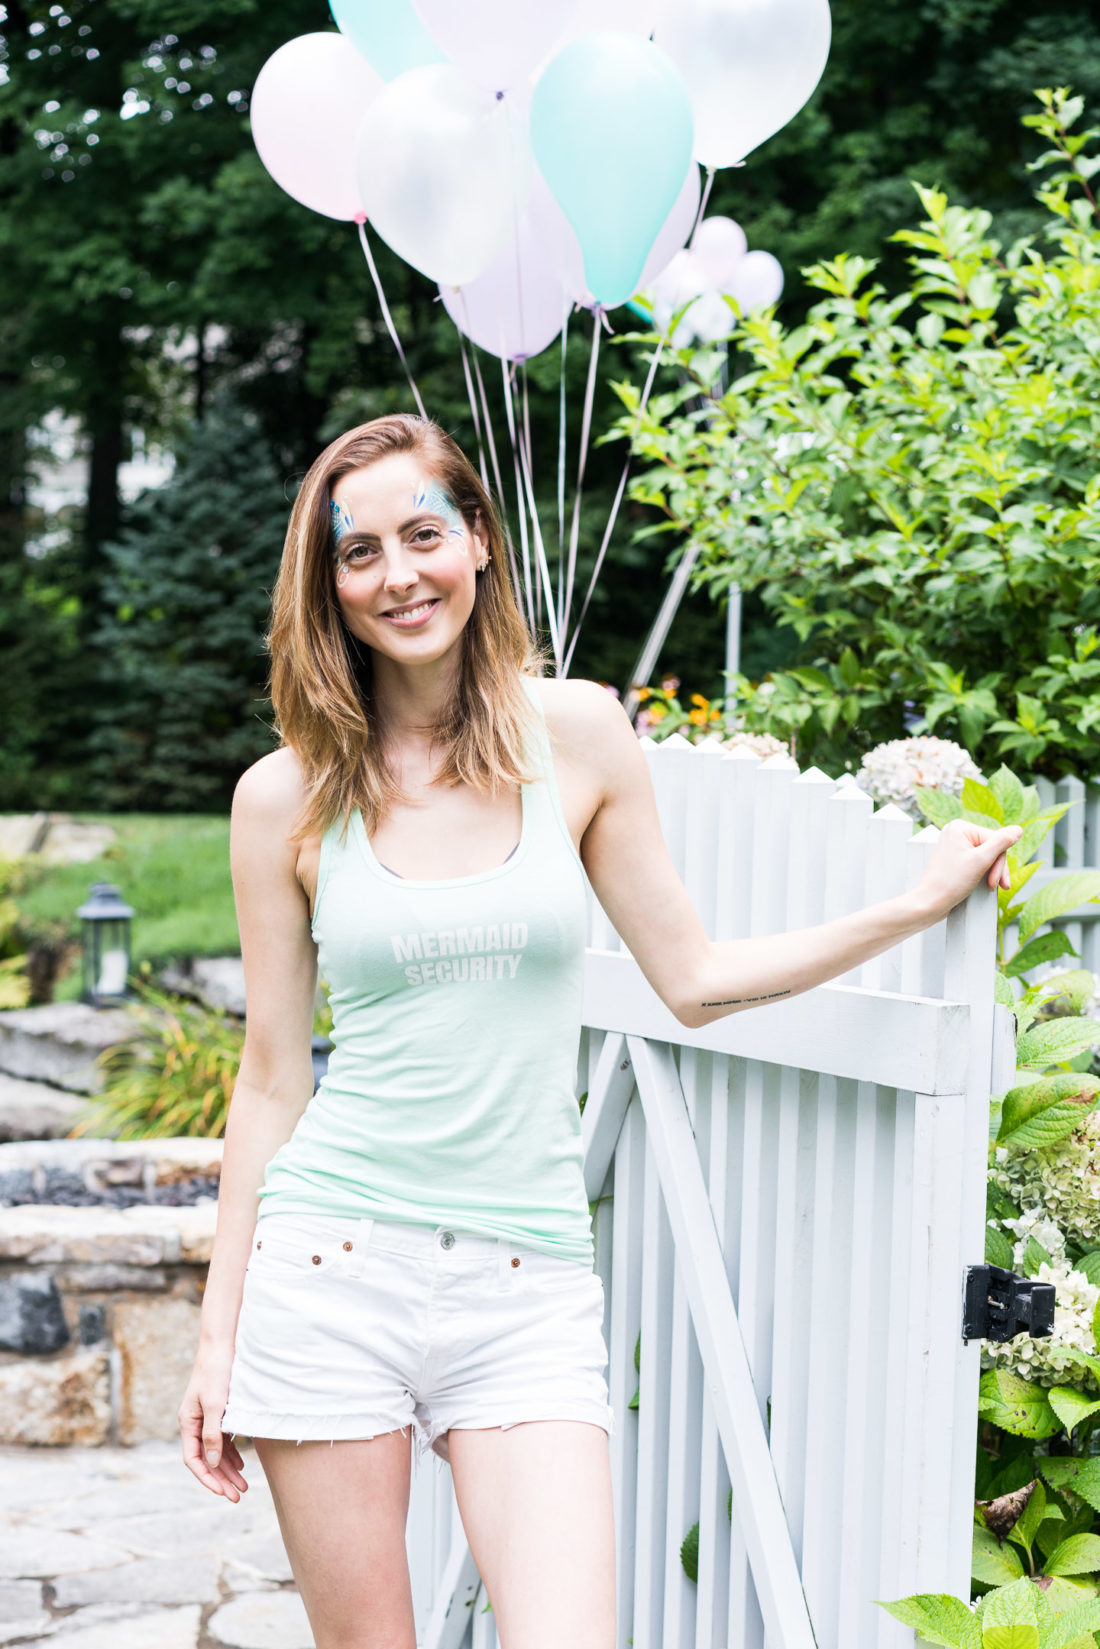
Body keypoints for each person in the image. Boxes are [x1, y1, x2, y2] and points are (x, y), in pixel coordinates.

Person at [178, 412, 1022, 1649]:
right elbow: (267, 1084)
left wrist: (907, 905)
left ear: (476, 539)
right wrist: (218, 1334)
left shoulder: (574, 735)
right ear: (328, 585)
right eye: (359, 552)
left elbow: (689, 976)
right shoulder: (284, 796)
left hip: (523, 1285)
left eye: (423, 533)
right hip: (329, 1270)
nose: (397, 573)